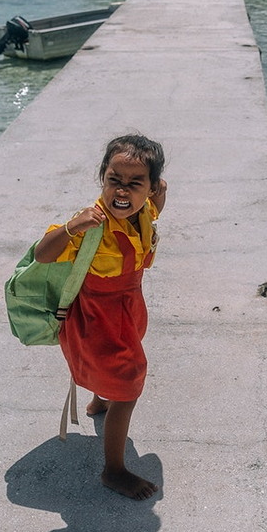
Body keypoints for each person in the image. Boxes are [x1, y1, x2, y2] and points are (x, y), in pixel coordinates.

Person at [34, 135, 167, 500]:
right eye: (114, 180)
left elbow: (156, 207)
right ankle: (113, 469)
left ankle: (99, 402)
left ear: (150, 187)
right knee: (128, 383)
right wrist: (70, 227)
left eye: (134, 183)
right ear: (102, 179)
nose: (122, 190)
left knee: (117, 363)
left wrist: (158, 194)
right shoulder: (91, 224)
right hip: (97, 315)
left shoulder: (142, 212)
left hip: (128, 309)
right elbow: (42, 255)